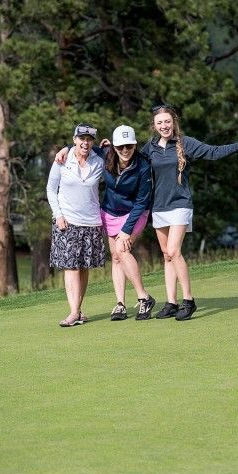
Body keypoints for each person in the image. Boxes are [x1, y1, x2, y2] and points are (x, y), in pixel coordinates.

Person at [143, 102, 238, 321]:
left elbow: (213, 152)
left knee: (174, 251)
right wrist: (103, 148)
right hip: (159, 206)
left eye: (167, 121)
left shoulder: (185, 143)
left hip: (180, 204)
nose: (164, 126)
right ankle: (171, 302)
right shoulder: (149, 147)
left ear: (174, 122)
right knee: (166, 255)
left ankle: (188, 300)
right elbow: (127, 160)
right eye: (160, 122)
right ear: (153, 125)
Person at [54, 125, 156, 321]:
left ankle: (144, 297)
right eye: (120, 147)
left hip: (134, 213)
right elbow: (83, 146)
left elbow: (142, 201)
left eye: (129, 146)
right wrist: (66, 148)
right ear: (114, 146)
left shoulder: (143, 165)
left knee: (122, 250)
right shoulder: (107, 153)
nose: (125, 151)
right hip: (109, 211)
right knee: (116, 257)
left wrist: (127, 230)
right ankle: (120, 304)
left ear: (135, 145)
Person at [46, 123, 105, 327]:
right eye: (82, 138)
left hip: (91, 222)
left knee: (83, 268)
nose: (85, 142)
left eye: (89, 139)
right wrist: (58, 215)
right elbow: (51, 189)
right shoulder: (62, 159)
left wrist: (107, 146)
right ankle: (73, 313)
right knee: (70, 267)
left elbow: (120, 160)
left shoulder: (99, 161)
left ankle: (77, 310)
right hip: (67, 221)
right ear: (74, 140)